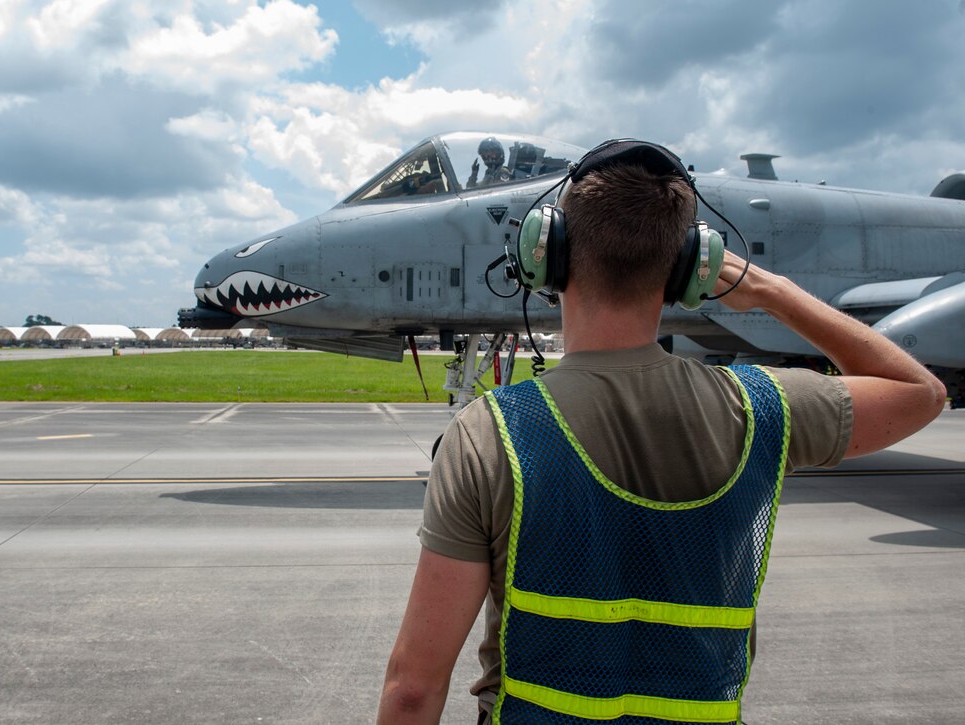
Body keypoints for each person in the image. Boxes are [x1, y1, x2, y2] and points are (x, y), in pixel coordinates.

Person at [377, 141, 947, 724]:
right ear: (689, 270)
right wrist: (772, 292)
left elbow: (413, 690)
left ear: (548, 256)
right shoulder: (761, 410)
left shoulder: (490, 433)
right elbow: (922, 395)